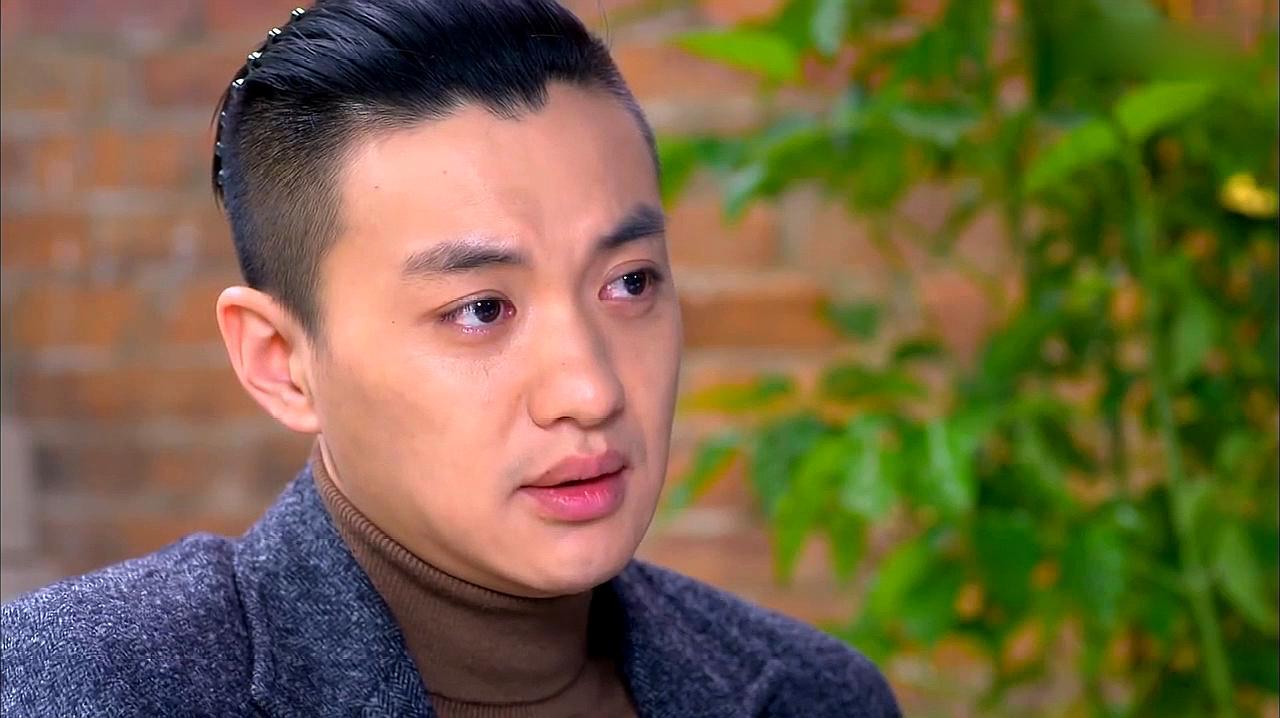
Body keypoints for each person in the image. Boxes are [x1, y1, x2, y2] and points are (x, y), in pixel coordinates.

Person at [1, 2, 900, 716]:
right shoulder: (86, 687)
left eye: (629, 284)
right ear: (280, 360)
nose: (590, 389)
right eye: (480, 310)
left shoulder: (813, 694)